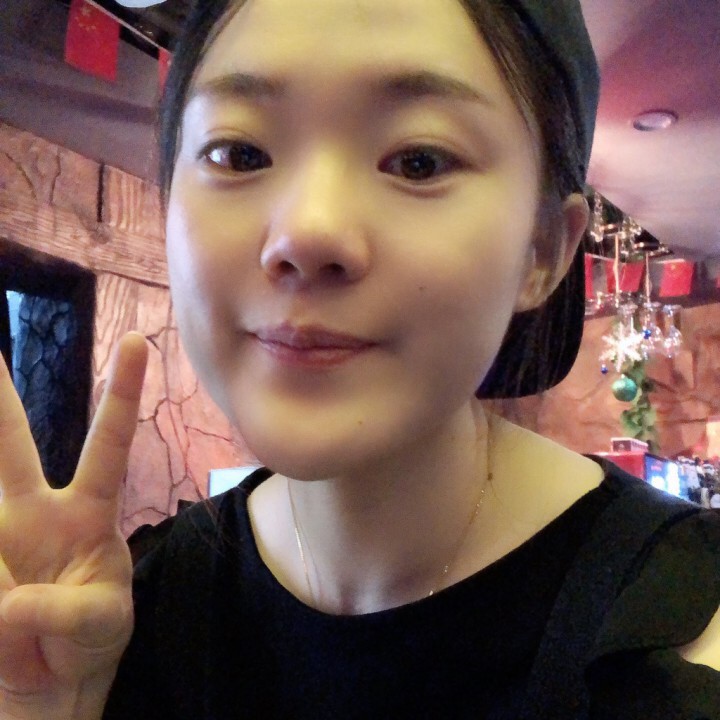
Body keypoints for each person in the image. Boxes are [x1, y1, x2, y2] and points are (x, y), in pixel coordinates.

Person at [0, 0, 719, 718]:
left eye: (418, 161)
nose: (307, 234)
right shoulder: (118, 619)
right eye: (240, 153)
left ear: (544, 252)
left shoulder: (682, 643)